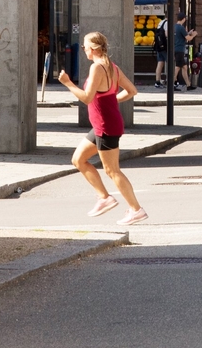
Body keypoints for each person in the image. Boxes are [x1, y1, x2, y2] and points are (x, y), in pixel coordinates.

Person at [59, 31, 147, 226]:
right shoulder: (113, 68)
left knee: (112, 170)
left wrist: (68, 84)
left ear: (94, 49)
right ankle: (104, 198)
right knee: (78, 159)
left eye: (84, 47)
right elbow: (132, 91)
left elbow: (87, 98)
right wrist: (110, 100)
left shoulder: (97, 68)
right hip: (104, 123)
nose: (83, 50)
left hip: (106, 125)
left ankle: (136, 210)